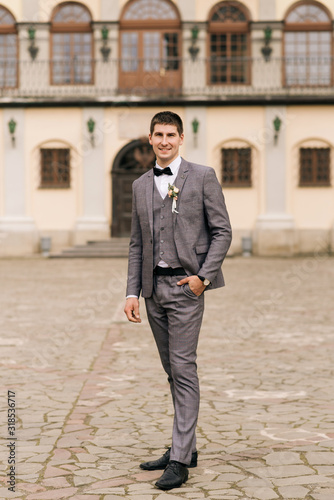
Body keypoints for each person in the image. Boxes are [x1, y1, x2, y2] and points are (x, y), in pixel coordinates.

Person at [124, 111, 232, 490]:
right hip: (153, 293)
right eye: (159, 135)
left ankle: (180, 460)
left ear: (181, 138)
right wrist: (131, 292)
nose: (165, 141)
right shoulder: (140, 185)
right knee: (172, 371)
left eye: (171, 134)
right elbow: (137, 243)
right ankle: (186, 445)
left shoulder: (202, 176)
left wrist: (203, 278)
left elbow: (222, 231)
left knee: (183, 369)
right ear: (149, 138)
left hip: (187, 290)